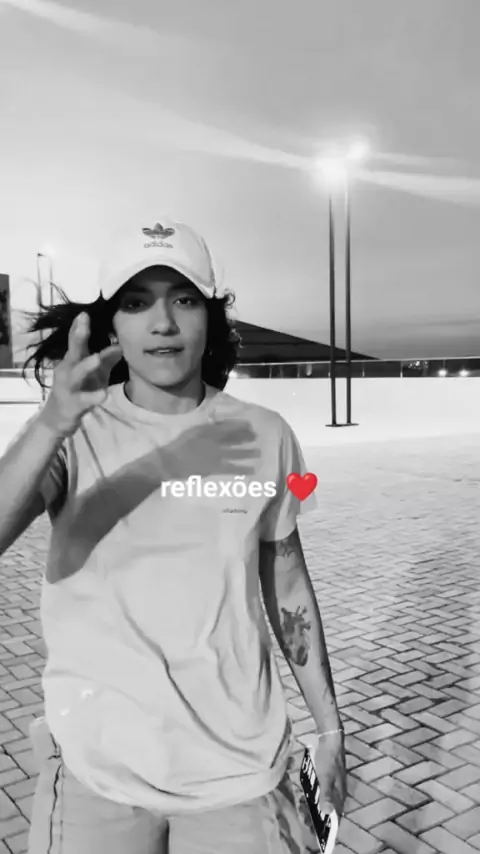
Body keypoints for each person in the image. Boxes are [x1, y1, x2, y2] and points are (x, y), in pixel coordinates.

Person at [0, 217, 346, 854]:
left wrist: (328, 728)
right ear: (110, 325)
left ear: (210, 316)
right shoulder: (75, 432)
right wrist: (51, 421)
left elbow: (288, 583)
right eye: (136, 303)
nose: (162, 323)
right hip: (96, 771)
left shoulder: (265, 433)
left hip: (240, 771)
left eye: (183, 299)